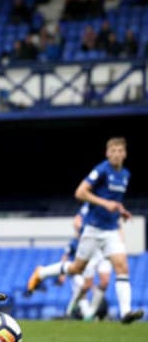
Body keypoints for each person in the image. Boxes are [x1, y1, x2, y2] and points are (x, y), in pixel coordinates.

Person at [26, 137, 144, 324]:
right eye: (112, 151)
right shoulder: (102, 169)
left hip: (112, 230)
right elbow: (80, 192)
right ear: (107, 153)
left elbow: (114, 199)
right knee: (76, 268)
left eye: (119, 150)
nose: (116, 154)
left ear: (125, 153)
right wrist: (106, 204)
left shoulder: (125, 174)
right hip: (93, 229)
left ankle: (125, 313)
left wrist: (121, 210)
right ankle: (41, 272)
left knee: (122, 267)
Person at [28, 202, 111, 320]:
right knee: (82, 283)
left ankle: (88, 314)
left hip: (100, 248)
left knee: (95, 284)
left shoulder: (110, 204)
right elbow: (76, 223)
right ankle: (42, 272)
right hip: (80, 264)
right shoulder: (89, 207)